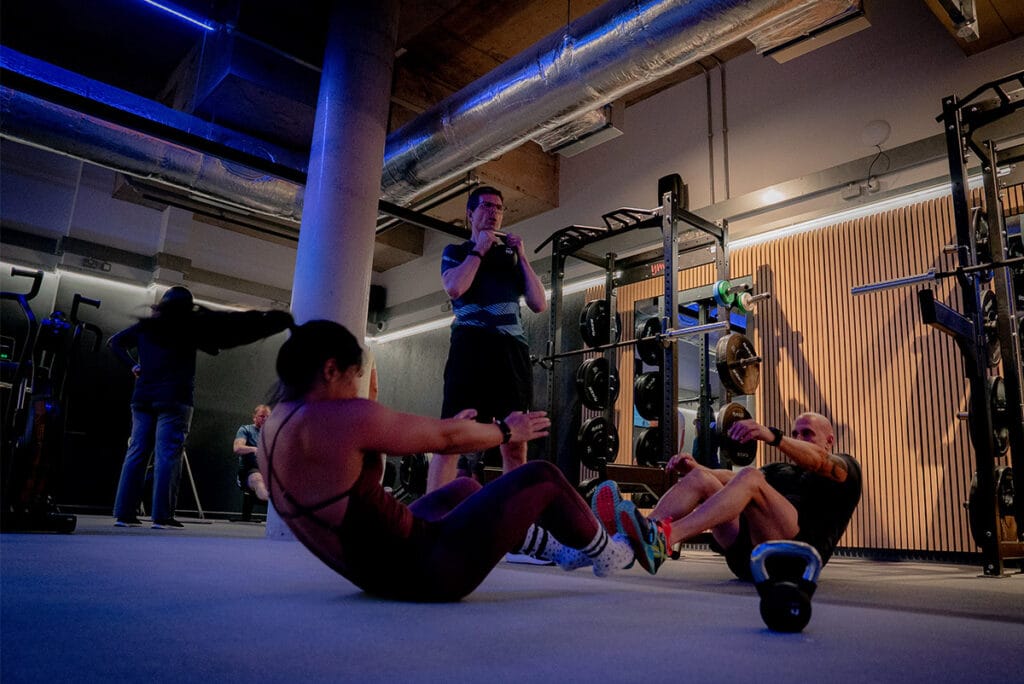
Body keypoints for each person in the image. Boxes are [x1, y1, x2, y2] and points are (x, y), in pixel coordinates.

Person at [258, 320, 645, 602]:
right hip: (429, 572)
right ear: (330, 369)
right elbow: (443, 438)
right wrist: (509, 431)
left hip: (373, 575)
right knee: (541, 476)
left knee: (463, 488)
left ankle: (559, 551)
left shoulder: (274, 428)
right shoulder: (337, 418)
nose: (355, 389)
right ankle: (610, 554)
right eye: (353, 377)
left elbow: (438, 437)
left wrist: (454, 434)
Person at [109, 286, 292, 529]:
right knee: (168, 455)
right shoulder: (188, 327)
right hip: (175, 398)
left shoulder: (147, 326)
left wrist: (133, 366)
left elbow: (115, 343)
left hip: (142, 397)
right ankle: (162, 517)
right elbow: (215, 346)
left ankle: (124, 514)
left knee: (137, 452)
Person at [596, 412, 861, 578]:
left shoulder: (845, 470)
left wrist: (774, 436)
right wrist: (695, 467)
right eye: (795, 433)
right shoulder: (780, 471)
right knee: (704, 478)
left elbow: (819, 461)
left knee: (751, 477)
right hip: (747, 558)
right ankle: (627, 544)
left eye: (807, 434)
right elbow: (728, 481)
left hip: (794, 562)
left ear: (830, 440)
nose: (798, 438)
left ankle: (666, 538)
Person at [427, 186, 547, 493]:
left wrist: (522, 255)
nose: (494, 212)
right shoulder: (455, 252)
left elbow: (538, 303)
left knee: (516, 443)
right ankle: (432, 516)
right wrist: (479, 248)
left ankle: (513, 525)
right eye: (486, 206)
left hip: (511, 351)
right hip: (471, 345)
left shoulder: (511, 259)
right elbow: (455, 288)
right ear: (470, 213)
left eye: (499, 208)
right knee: (453, 435)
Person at [234, 404, 272, 521]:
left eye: (267, 417)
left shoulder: (273, 433)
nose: (265, 419)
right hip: (249, 472)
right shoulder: (246, 429)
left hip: (269, 472)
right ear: (254, 417)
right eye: (261, 416)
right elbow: (237, 448)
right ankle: (274, 503)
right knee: (257, 478)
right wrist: (254, 449)